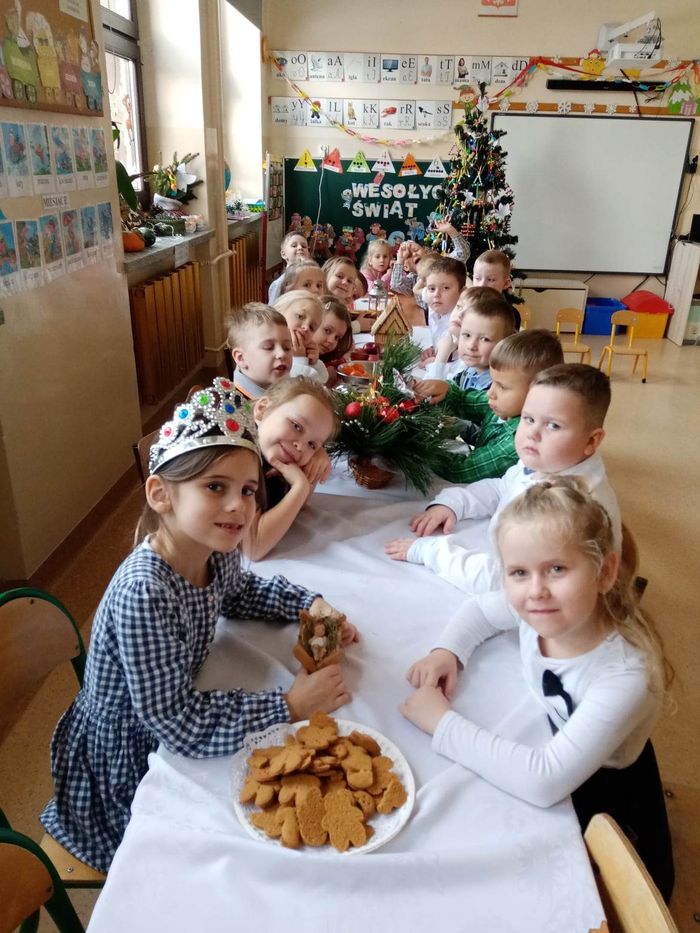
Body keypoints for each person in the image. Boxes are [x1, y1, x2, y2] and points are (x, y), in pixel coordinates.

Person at [40, 379, 357, 872]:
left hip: (177, 710)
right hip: (132, 757)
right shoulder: (145, 592)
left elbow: (242, 592)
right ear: (161, 495)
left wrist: (309, 603)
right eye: (215, 487)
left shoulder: (214, 548)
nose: (239, 506)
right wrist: (289, 705)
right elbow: (178, 724)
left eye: (248, 491)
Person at [401, 477, 674, 901]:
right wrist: (448, 651)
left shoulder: (625, 676)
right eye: (519, 573)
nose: (536, 591)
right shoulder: (539, 607)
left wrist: (441, 722)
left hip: (604, 782)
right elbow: (481, 611)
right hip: (548, 728)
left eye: (557, 569)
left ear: (605, 572)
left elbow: (543, 781)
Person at [387, 365, 621, 594]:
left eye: (553, 425)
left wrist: (430, 552)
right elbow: (502, 487)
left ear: (591, 441)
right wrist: (454, 503)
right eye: (528, 419)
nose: (532, 433)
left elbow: (502, 579)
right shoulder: (548, 460)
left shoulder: (568, 509)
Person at [416, 329, 564, 484]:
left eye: (502, 387)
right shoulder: (505, 405)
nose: (490, 393)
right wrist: (445, 390)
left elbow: (460, 470)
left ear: (538, 392)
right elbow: (464, 400)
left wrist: (424, 445)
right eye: (493, 382)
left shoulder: (518, 441)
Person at [249, 376, 338, 559]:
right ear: (262, 409)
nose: (300, 446)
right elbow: (253, 547)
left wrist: (317, 455)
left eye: (312, 444)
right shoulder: (239, 460)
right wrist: (300, 488)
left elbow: (299, 507)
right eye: (296, 426)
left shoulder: (279, 458)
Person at [424, 286, 516, 384]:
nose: (459, 315)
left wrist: (441, 356)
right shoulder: (469, 368)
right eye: (459, 307)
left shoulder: (473, 360)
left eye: (484, 339)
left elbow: (433, 388)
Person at [226, 303, 293, 400]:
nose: (282, 353)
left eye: (287, 347)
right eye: (268, 347)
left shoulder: (290, 386)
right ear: (241, 358)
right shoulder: (233, 405)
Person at [273, 290, 327, 383]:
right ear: (278, 312)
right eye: (300, 316)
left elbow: (323, 382)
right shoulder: (268, 348)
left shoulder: (303, 353)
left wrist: (314, 363)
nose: (306, 327)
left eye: (312, 327)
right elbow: (294, 388)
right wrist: (299, 359)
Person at [423, 256, 468, 354]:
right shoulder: (434, 305)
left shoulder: (463, 322)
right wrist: (431, 348)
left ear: (462, 292)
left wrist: (436, 359)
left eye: (446, 288)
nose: (436, 294)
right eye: (432, 289)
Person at [472, 249, 522, 329]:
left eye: (491, 280)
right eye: (477, 278)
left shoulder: (510, 314)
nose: (482, 285)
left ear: (506, 284)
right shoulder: (465, 307)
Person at [313, 296, 354, 387]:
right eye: (327, 330)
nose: (332, 341)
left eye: (337, 337)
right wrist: (323, 378)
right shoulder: (295, 355)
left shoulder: (329, 359)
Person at [267, 232, 310, 303]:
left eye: (304, 246)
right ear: (283, 254)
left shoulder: (312, 279)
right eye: (294, 246)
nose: (300, 248)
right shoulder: (280, 284)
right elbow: (273, 309)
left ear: (308, 253)